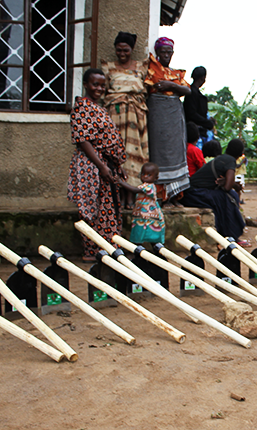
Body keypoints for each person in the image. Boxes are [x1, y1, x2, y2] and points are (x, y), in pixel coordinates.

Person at [68, 68, 126, 261]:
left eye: (102, 85)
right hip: (91, 165)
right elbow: (84, 141)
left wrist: (117, 164)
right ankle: (93, 251)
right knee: (93, 209)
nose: (99, 88)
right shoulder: (81, 107)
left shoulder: (97, 107)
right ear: (86, 84)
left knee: (107, 207)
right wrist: (101, 166)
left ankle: (107, 248)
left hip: (105, 163)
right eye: (95, 84)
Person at [101, 31, 149, 208]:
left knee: (134, 156)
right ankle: (119, 196)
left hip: (136, 118)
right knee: (117, 156)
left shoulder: (141, 67)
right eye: (119, 50)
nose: (122, 54)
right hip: (115, 116)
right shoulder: (108, 67)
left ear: (132, 49)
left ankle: (131, 197)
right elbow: (104, 91)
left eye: (125, 50)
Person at [144, 37, 191, 206]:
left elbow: (187, 90)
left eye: (169, 52)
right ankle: (161, 198)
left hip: (174, 119)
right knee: (159, 155)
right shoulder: (151, 70)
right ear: (157, 53)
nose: (166, 55)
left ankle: (174, 196)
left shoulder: (176, 74)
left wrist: (171, 86)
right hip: (158, 118)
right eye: (162, 52)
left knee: (176, 154)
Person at [182, 138, 248, 244]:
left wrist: (230, 183)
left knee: (229, 195)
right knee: (228, 198)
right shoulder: (230, 161)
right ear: (241, 154)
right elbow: (227, 187)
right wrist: (230, 183)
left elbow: (227, 184)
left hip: (191, 192)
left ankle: (227, 234)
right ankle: (232, 236)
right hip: (194, 193)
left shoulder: (223, 158)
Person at [118, 162, 165, 244]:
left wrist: (121, 183)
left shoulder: (149, 186)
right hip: (141, 215)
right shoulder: (143, 185)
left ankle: (158, 253)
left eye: (149, 175)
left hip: (149, 215)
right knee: (140, 234)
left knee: (152, 236)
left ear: (155, 178)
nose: (145, 177)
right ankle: (139, 253)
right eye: (143, 174)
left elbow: (134, 190)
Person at [183, 66, 216, 150]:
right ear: (203, 78)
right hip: (194, 133)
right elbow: (192, 114)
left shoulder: (191, 92)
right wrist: (207, 123)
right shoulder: (192, 93)